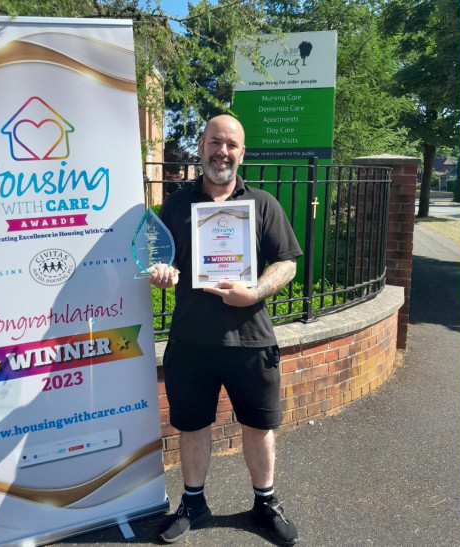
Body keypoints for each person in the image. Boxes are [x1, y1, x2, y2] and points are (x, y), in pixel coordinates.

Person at [149, 114, 303, 545]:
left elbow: (287, 262)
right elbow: (168, 262)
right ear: (200, 148)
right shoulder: (176, 205)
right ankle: (193, 502)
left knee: (258, 426)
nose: (223, 151)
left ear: (242, 153)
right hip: (192, 339)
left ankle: (266, 502)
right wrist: (163, 272)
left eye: (232, 144)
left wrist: (254, 293)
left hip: (250, 339)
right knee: (192, 426)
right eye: (215, 142)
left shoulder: (264, 204)